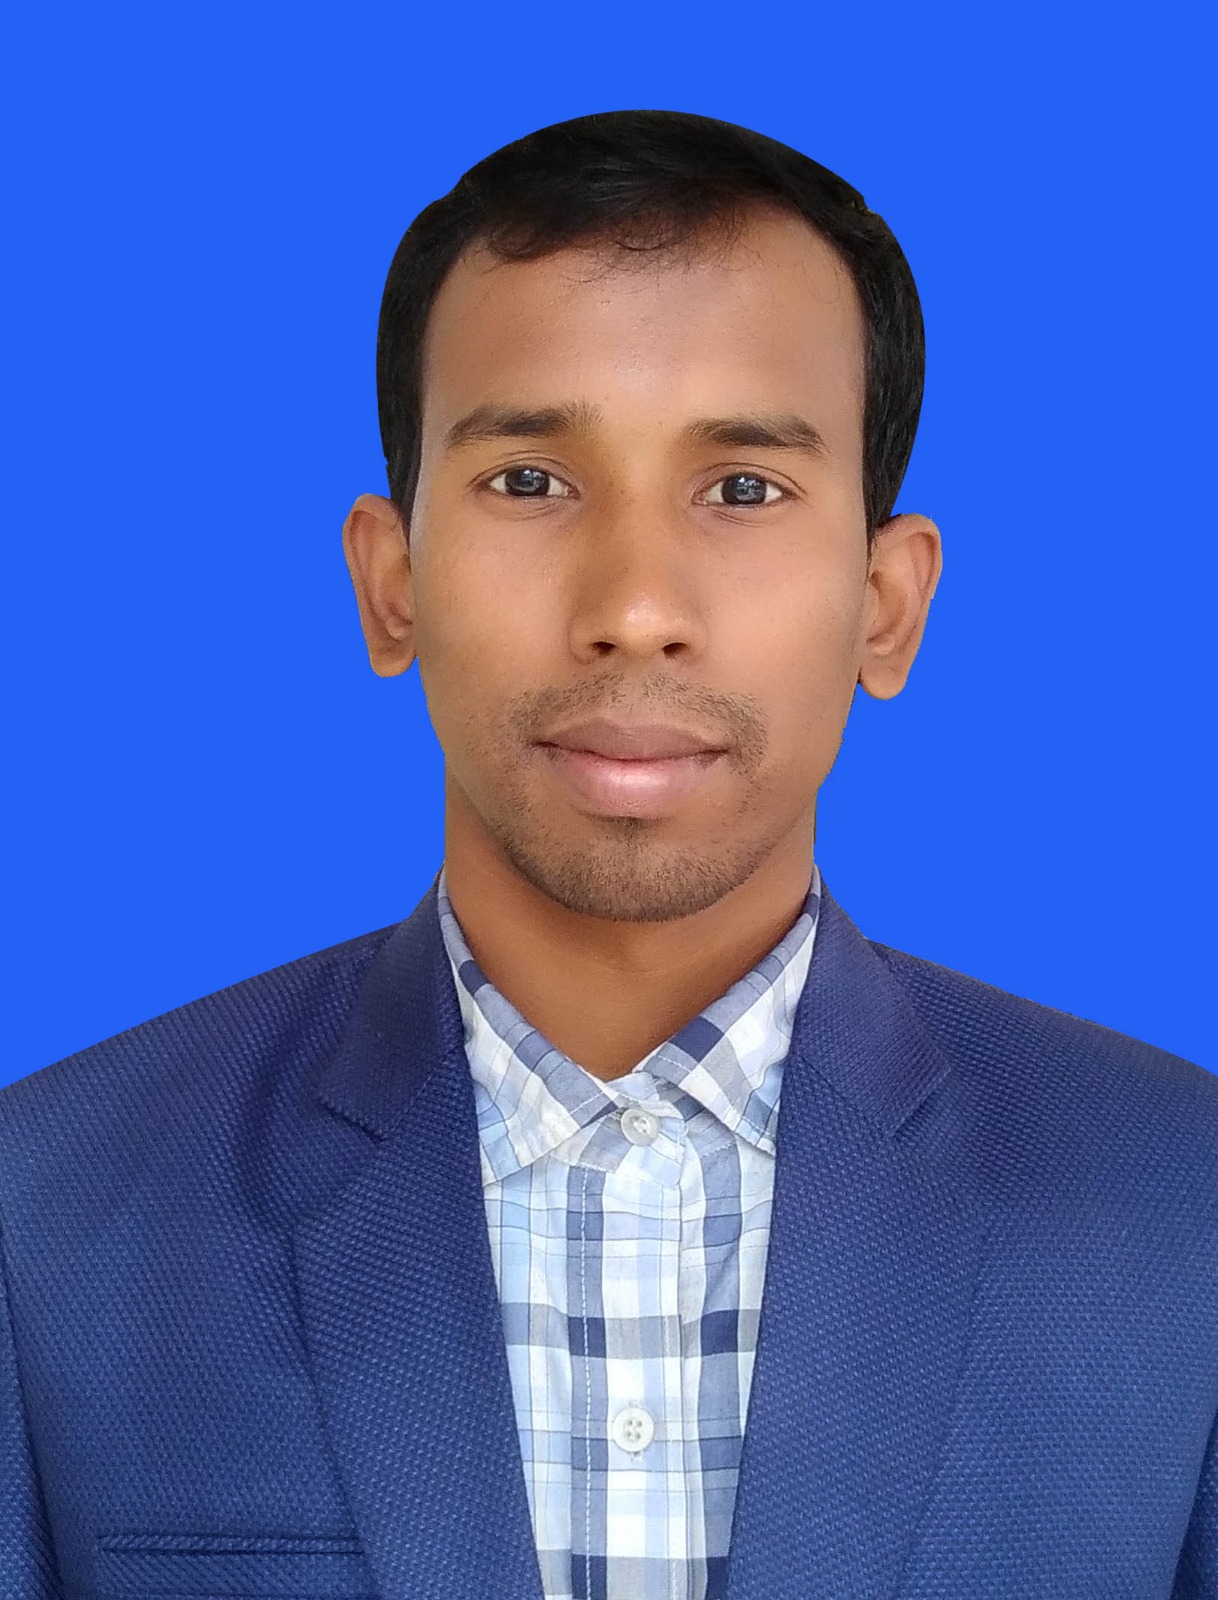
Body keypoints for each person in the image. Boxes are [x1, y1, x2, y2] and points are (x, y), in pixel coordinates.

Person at [1, 110, 1214, 1600]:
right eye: (530, 481)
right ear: (391, 584)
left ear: (887, 606)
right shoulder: (46, 1209)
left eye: (743, 488)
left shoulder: (1183, 1208)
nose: (635, 606)